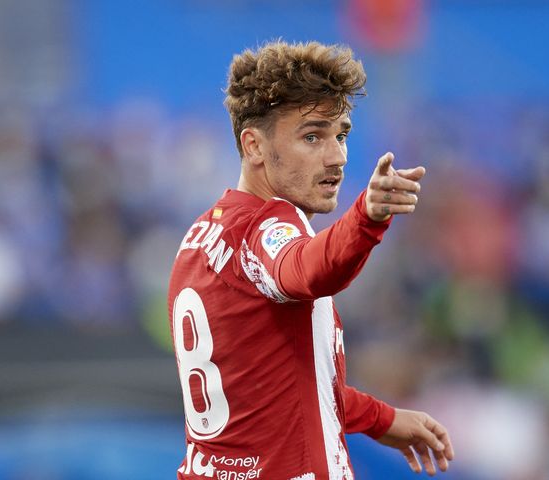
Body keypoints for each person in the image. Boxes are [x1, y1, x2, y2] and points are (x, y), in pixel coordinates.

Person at [168, 40, 454, 480]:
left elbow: (283, 388)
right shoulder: (268, 225)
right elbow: (303, 271)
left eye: (341, 134)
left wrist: (382, 420)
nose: (337, 156)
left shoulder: (200, 237)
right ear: (254, 146)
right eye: (312, 136)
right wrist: (366, 217)